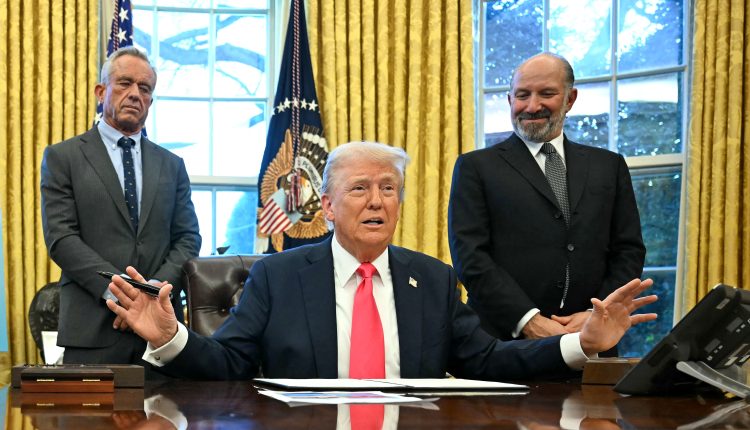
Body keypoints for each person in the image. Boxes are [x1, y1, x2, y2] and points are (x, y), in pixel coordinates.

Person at [106, 141, 655, 381]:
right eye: (360, 189)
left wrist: (582, 343)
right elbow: (229, 363)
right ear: (327, 206)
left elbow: (490, 361)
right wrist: (169, 337)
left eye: (389, 188)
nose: (377, 202)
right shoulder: (278, 275)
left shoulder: (433, 278)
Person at [448, 53, 646, 344]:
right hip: (502, 344)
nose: (532, 106)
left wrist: (595, 313)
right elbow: (470, 256)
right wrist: (529, 321)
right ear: (509, 100)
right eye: (522, 95)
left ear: (570, 99)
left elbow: (628, 250)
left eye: (546, 93)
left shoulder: (609, 166)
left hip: (591, 340)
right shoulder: (476, 167)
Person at [40, 46, 201, 367]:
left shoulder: (172, 165)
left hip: (160, 333)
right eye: (125, 83)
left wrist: (151, 293)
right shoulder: (63, 157)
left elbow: (188, 238)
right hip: (91, 329)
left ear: (150, 101)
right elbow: (61, 237)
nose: (135, 94)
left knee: (169, 404)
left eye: (145, 88)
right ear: (101, 92)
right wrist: (122, 295)